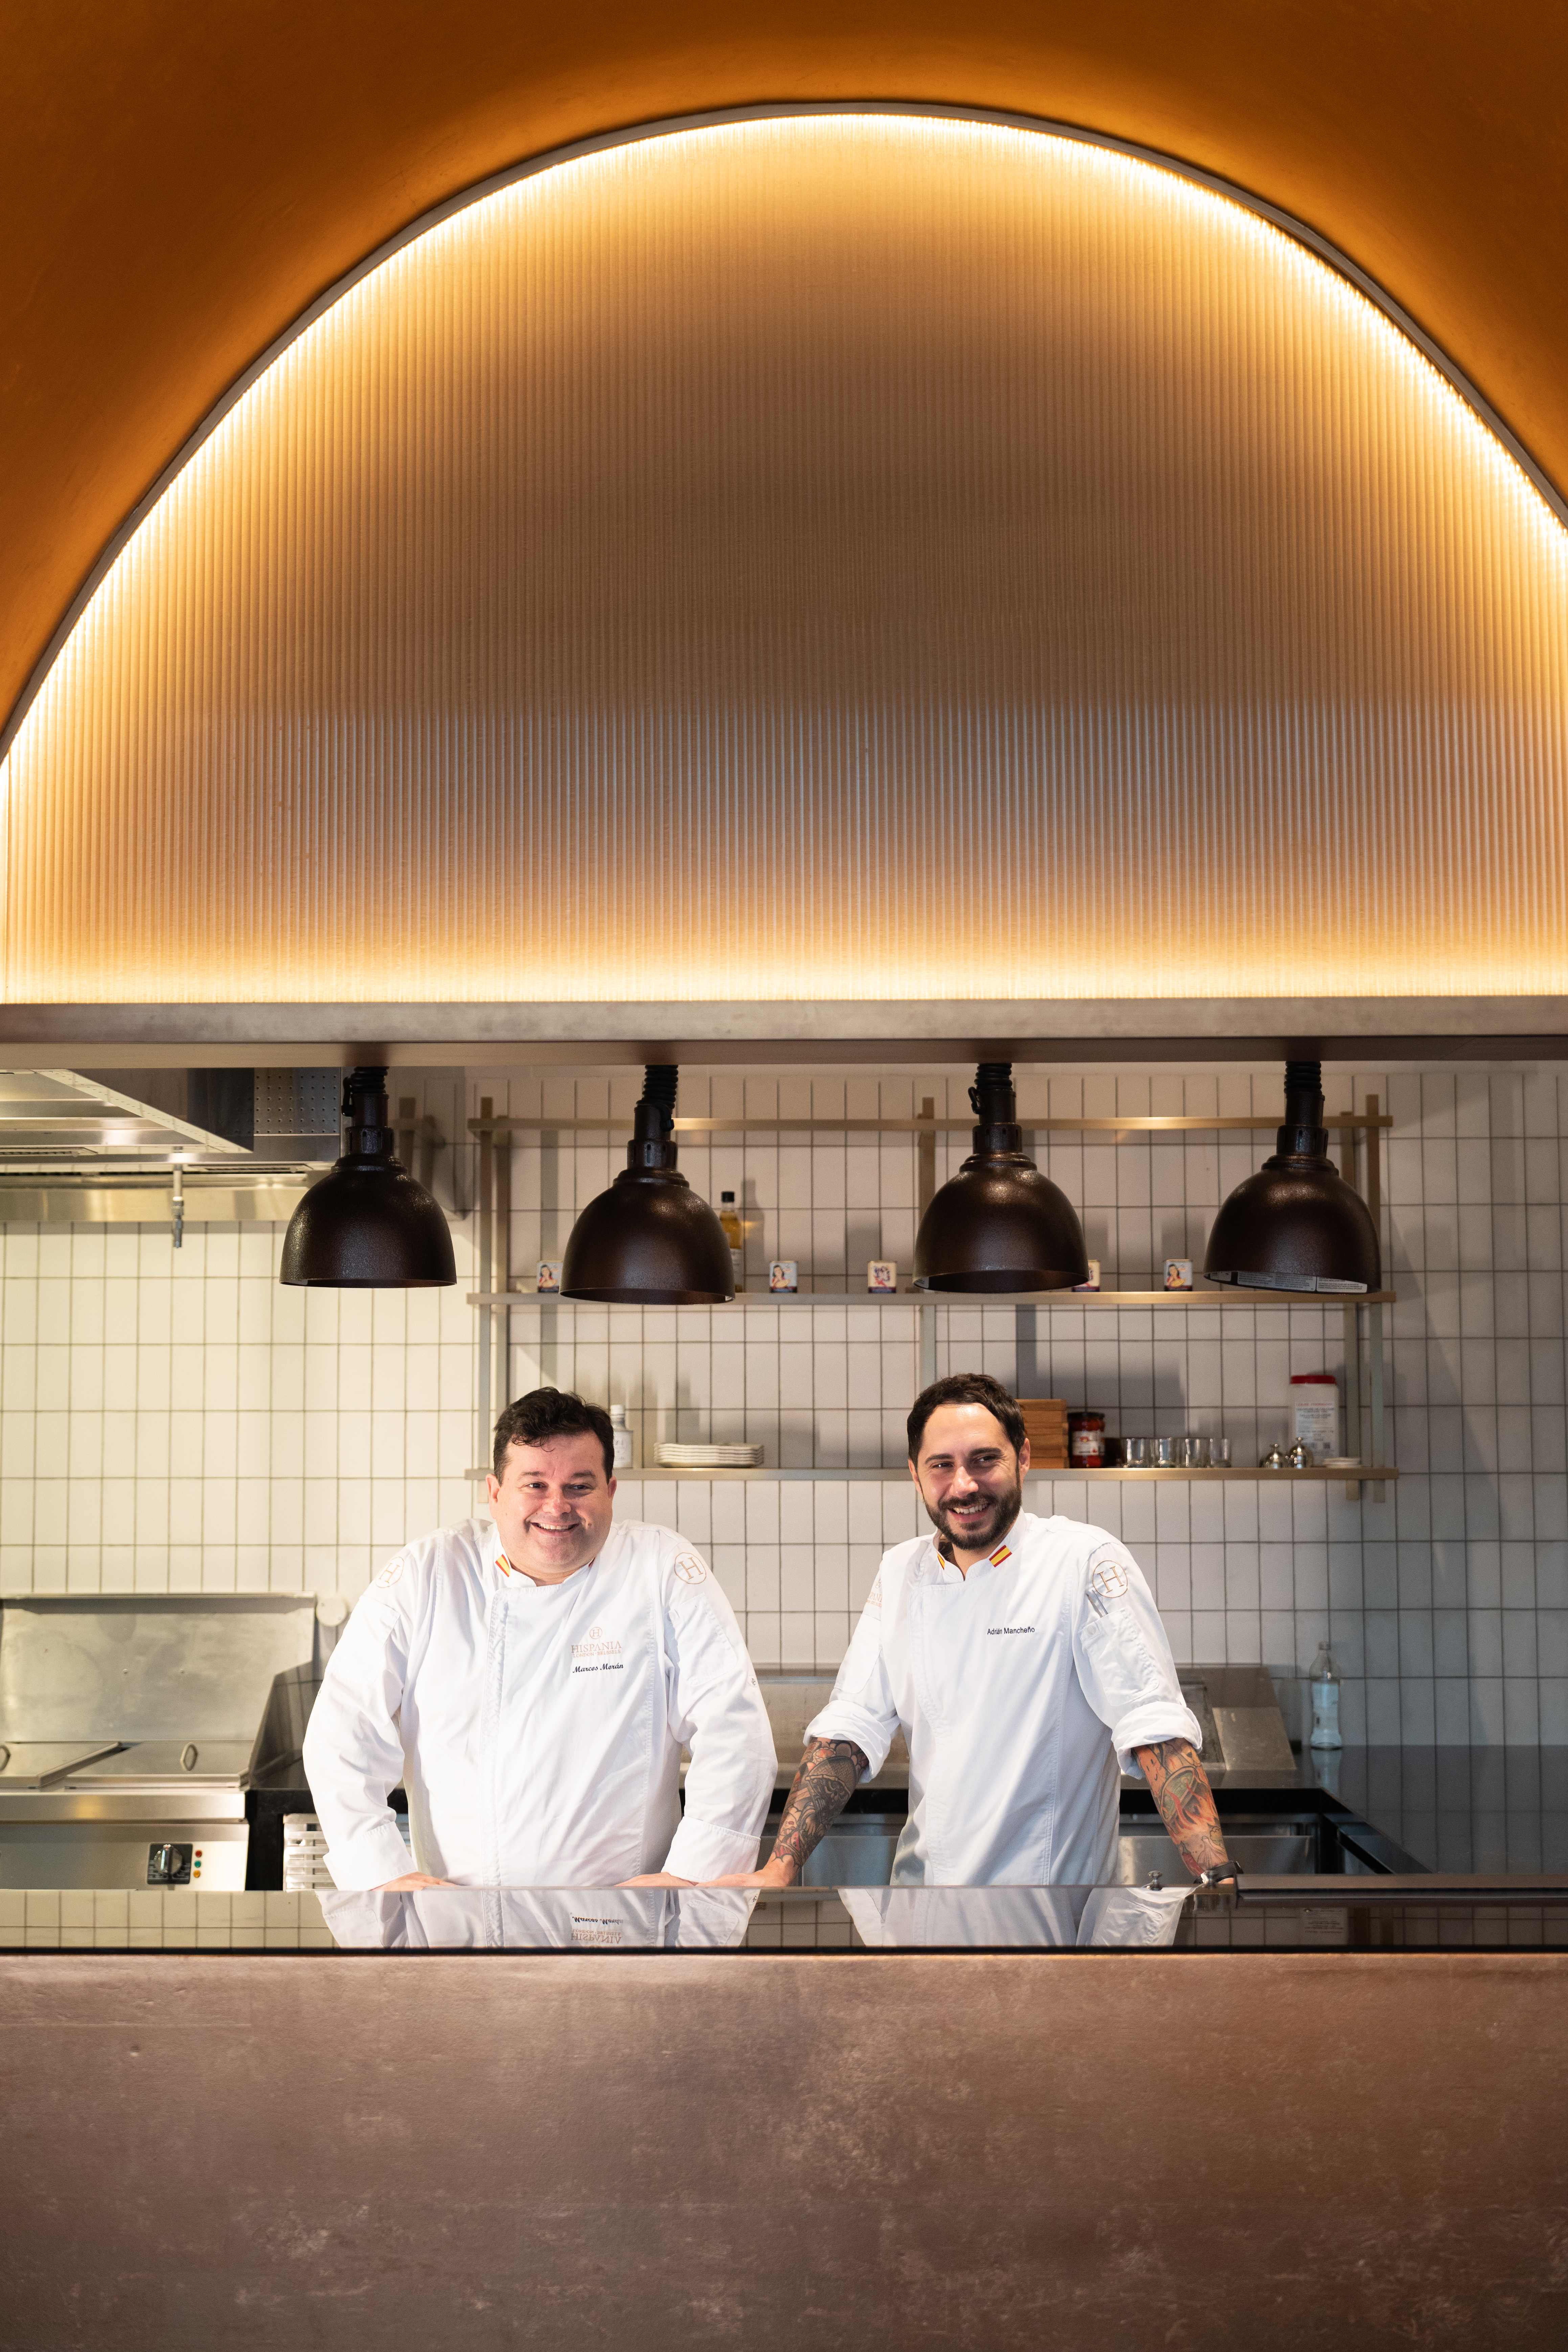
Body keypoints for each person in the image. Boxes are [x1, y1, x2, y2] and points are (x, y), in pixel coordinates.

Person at [719, 1372, 1234, 1891]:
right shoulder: (902, 1572)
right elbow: (850, 1730)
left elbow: (1155, 1729)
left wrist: (1217, 1875)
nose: (964, 1485)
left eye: (985, 1460)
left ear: (1024, 1458)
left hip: (1052, 1919)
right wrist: (779, 1870)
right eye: (942, 1465)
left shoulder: (1081, 1561)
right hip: (922, 1911)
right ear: (916, 1477)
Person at [302, 1387, 777, 1890]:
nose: (558, 1506)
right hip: (459, 1922)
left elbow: (737, 1735)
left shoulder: (661, 1569)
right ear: (495, 1492)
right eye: (534, 1484)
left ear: (611, 1492)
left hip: (626, 1925)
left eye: (579, 1486)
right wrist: (381, 1875)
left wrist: (690, 1877)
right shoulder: (431, 1574)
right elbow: (343, 1732)